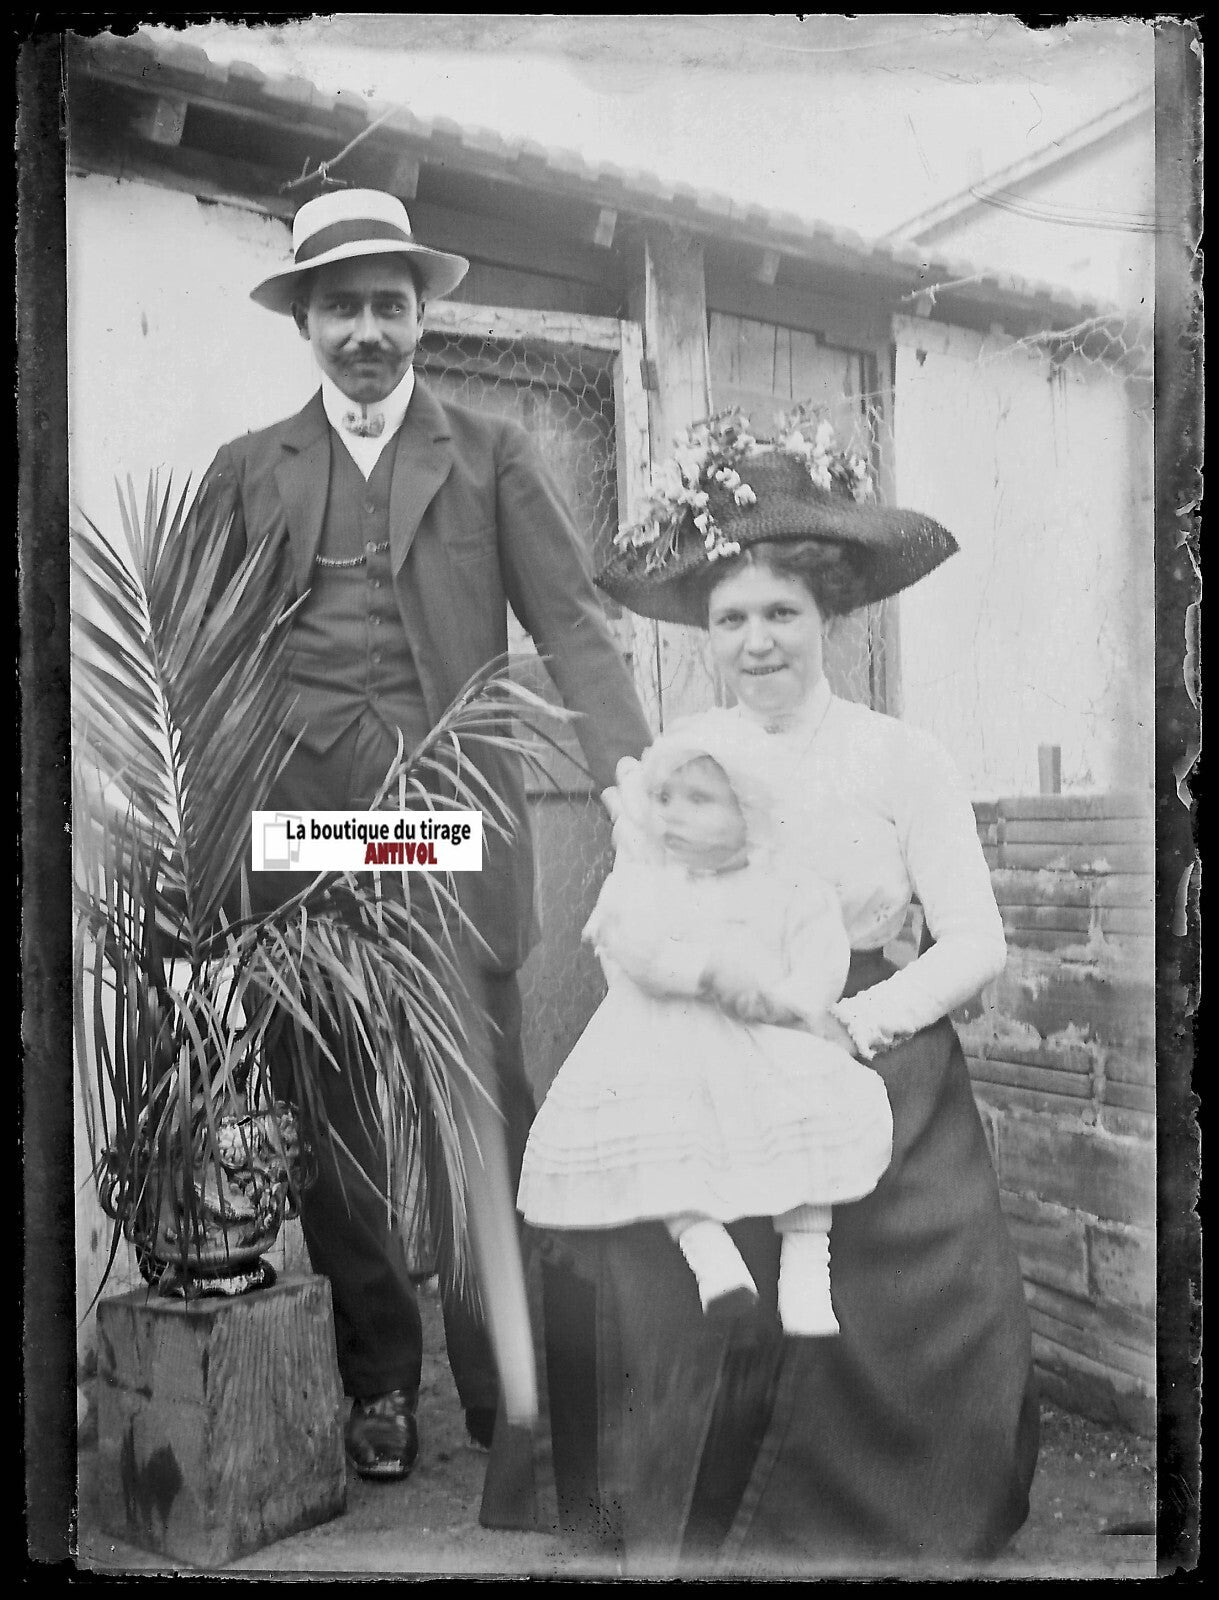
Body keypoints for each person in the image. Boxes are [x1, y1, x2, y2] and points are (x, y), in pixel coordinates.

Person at [480, 410, 1039, 1573]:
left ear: (827, 612)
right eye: (730, 619)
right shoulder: (688, 755)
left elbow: (974, 941)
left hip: (872, 1053)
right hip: (708, 1053)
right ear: (704, 635)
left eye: (781, 612)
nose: (757, 641)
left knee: (902, 1280)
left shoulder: (897, 758)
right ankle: (663, 1506)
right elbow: (634, 920)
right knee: (634, 1240)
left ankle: (888, 1502)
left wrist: (857, 1021)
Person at [198, 189, 650, 1482]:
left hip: (443, 842)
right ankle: (377, 1386)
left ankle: (498, 1388)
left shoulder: (492, 452)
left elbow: (568, 623)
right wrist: (207, 845)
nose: (365, 331)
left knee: (474, 1121)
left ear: (417, 314)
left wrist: (635, 779)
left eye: (387, 304)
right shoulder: (246, 471)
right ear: (305, 320)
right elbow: (197, 667)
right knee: (331, 1124)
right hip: (305, 845)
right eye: (339, 306)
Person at [516, 718, 893, 1337]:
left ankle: (806, 1266)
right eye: (664, 800)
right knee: (656, 1139)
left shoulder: (789, 885)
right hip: (662, 1038)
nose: (675, 816)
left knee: (806, 1122)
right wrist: (706, 969)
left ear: (749, 809)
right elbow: (633, 949)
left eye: (700, 800)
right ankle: (704, 1249)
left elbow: (821, 958)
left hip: (760, 1035)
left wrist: (784, 1000)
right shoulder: (649, 882)